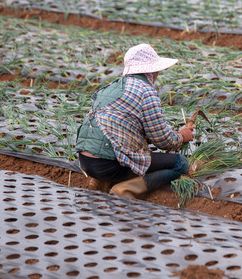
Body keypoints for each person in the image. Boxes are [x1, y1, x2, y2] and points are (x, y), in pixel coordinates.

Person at [75, 43, 194, 198]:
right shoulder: (146, 91)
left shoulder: (111, 87)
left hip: (86, 162)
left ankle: (100, 182)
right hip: (109, 163)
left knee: (125, 153)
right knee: (181, 163)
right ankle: (125, 189)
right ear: (151, 70)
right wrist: (181, 136)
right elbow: (163, 141)